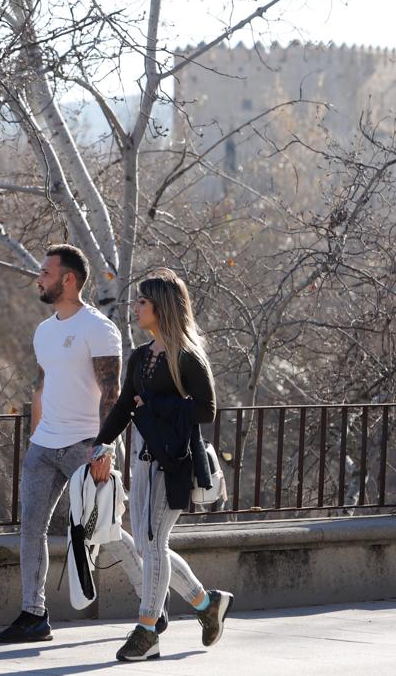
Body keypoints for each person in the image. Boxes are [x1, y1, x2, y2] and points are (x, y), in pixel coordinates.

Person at [0, 244, 176, 643]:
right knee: (31, 529)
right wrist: (34, 440)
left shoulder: (98, 328)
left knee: (105, 530)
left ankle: (154, 606)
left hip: (84, 446)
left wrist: (105, 448)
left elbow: (112, 396)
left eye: (45, 272)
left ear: (68, 279)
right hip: (44, 446)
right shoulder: (44, 331)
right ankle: (33, 614)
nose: (38, 279)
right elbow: (43, 387)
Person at [93, 268, 234, 662]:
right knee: (148, 544)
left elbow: (206, 410)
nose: (136, 307)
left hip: (174, 463)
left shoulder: (187, 357)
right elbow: (124, 406)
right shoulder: (140, 356)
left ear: (162, 307)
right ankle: (206, 604)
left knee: (152, 543)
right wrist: (101, 445)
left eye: (143, 301)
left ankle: (148, 628)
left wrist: (154, 406)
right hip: (142, 460)